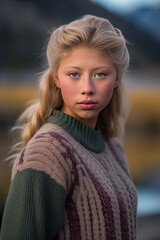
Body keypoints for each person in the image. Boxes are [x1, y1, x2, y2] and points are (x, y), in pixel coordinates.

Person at [0, 15, 137, 240]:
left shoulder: (112, 147)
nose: (87, 88)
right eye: (74, 74)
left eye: (100, 74)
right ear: (56, 78)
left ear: (117, 79)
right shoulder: (47, 152)